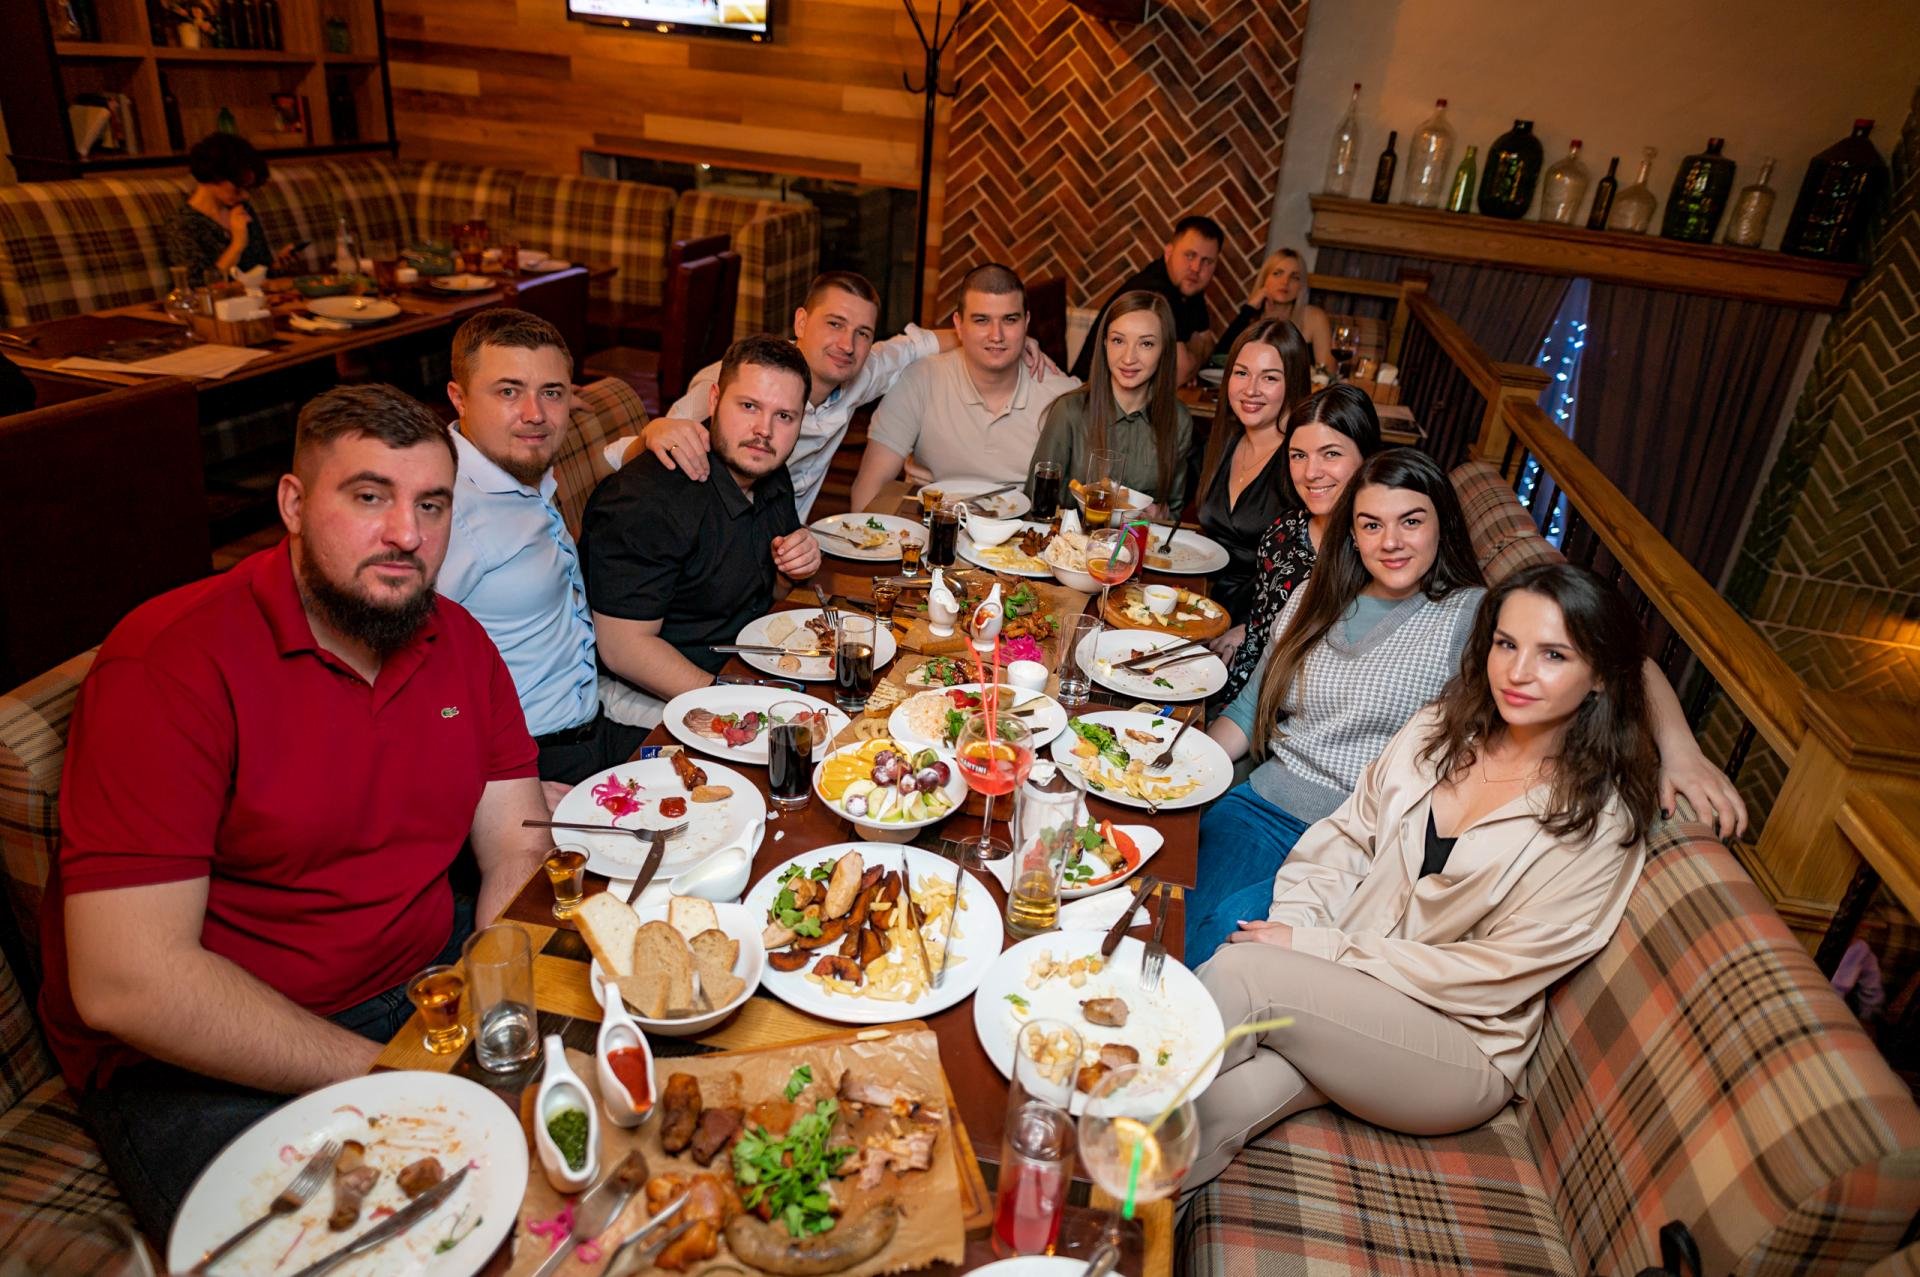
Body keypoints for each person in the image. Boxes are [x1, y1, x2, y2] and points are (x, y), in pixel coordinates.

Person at [39, 384, 550, 1237]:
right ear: (292, 504)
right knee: (393, 1244)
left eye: (431, 504)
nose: (407, 533)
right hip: (211, 1054)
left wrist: (499, 995)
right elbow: (127, 982)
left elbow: (517, 842)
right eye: (369, 496)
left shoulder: (458, 638)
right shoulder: (169, 663)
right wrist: (392, 1077)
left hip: (426, 981)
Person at [1188, 563, 1662, 1187]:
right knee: (1212, 1111)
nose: (1518, 672)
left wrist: (1318, 950)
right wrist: (1297, 926)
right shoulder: (1439, 731)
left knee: (1240, 971)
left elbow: (1492, 974)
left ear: (1600, 674)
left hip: (1455, 1047)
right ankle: (1097, 1210)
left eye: (1553, 655)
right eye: (1506, 644)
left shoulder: (1597, 824)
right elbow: (1342, 841)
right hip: (1347, 998)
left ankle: (1092, 1089)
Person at [1191, 449, 1486, 956]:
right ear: (1352, 534)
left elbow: (1606, 664)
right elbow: (1250, 707)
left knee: (1229, 942)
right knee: (1171, 914)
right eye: (1371, 525)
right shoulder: (1315, 593)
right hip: (1262, 808)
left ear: (1442, 523)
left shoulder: (1469, 614)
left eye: (1411, 522)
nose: (1390, 542)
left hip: (1360, 845)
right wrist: (1180, 769)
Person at [628, 271, 1052, 520]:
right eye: (834, 324)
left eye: (862, 333)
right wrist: (653, 431)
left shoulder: (862, 374)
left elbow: (919, 344)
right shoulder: (735, 383)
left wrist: (1006, 342)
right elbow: (629, 464)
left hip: (787, 546)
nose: (847, 345)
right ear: (801, 322)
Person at [437, 309, 642, 784]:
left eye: (551, 393)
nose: (535, 414)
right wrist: (497, 788)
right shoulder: (445, 512)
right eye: (508, 392)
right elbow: (399, 680)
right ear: (459, 398)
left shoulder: (518, 470)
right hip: (530, 763)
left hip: (590, 729)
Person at [581, 334, 822, 726]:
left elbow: (764, 593)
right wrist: (729, 700)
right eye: (749, 406)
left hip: (738, 662)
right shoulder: (649, 499)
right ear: (714, 400)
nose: (764, 429)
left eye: (784, 416)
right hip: (648, 694)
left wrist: (793, 566)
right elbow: (622, 649)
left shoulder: (768, 471)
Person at [849, 264, 1079, 512]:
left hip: (1022, 532)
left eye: (1010, 320)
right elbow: (871, 484)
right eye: (981, 320)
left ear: (1026, 323)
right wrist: (865, 534)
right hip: (929, 524)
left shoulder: (1061, 395)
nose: (996, 335)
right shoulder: (920, 379)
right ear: (958, 325)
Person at [1212, 384, 1383, 702]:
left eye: (1331, 454)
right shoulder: (1286, 529)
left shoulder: (1381, 552)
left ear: (1367, 457)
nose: (1311, 473)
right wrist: (1246, 631)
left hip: (1301, 712)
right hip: (1243, 694)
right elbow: (1264, 624)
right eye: (1298, 456)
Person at [1025, 291, 1193, 518]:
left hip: (1140, 539)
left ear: (1164, 349)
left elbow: (1173, 511)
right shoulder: (1069, 411)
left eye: (1146, 344)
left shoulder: (1179, 420)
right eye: (1118, 340)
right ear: (1105, 343)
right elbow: (1036, 505)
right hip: (1071, 538)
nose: (1128, 358)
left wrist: (1161, 516)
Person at [1194, 319, 1315, 623]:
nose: (1250, 389)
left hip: (1258, 623)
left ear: (1293, 383)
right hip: (1201, 605)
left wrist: (1250, 631)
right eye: (1241, 373)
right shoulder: (1222, 442)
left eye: (1269, 378)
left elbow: (1311, 571)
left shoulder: (1301, 461)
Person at [1070, 215, 1223, 384]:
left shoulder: (1188, 286)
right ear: (1168, 253)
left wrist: (1191, 355)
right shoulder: (1156, 292)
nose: (1196, 268)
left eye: (1207, 261)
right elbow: (1180, 373)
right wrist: (1195, 349)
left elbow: (1208, 345)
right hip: (1092, 392)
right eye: (1189, 255)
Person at [160, 133, 300, 281]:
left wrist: (275, 267)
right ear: (213, 176)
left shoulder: (242, 209)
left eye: (248, 188)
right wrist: (237, 244)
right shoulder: (182, 224)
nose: (245, 196)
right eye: (238, 188)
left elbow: (260, 270)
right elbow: (198, 286)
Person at [1216, 248, 1335, 371]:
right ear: (1264, 279)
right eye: (1277, 273)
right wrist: (1248, 309)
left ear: (1301, 286)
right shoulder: (1251, 317)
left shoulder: (1315, 318)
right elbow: (1218, 358)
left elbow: (1327, 372)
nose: (1285, 282)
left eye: (1294, 277)